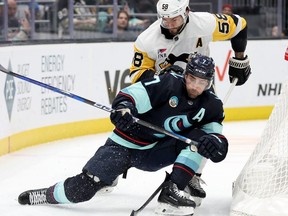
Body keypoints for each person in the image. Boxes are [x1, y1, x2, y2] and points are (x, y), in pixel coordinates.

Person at [18, 53, 229, 215]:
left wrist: (214, 145)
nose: (195, 86)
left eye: (202, 82)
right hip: (126, 144)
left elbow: (217, 140)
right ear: (186, 75)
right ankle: (45, 194)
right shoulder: (168, 84)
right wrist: (124, 108)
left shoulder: (212, 105)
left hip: (158, 152)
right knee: (82, 189)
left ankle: (172, 191)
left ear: (210, 82)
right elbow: (130, 95)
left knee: (199, 140)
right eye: (192, 79)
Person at [128, 0, 251, 205]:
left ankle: (192, 175)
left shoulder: (205, 23)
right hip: (167, 91)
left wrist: (240, 59)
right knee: (137, 126)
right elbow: (137, 73)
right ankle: (114, 164)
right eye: (164, 20)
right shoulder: (146, 40)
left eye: (174, 19)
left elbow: (240, 25)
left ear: (186, 12)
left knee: (206, 133)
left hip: (199, 88)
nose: (170, 25)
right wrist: (164, 78)